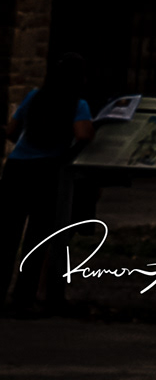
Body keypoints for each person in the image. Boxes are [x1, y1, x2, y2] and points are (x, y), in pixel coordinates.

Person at [3, 56, 98, 317]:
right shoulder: (77, 104)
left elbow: (11, 130)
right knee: (37, 236)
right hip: (47, 169)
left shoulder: (34, 96)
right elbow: (82, 134)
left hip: (16, 167)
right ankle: (23, 297)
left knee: (8, 233)